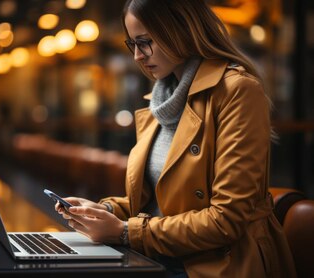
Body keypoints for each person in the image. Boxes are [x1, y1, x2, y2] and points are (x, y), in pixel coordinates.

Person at [55, 0, 297, 277]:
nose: (137, 56)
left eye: (145, 42)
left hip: (218, 264)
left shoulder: (237, 91)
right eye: (132, 44)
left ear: (181, 30)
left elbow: (226, 220)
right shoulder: (161, 100)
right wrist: (104, 210)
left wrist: (123, 232)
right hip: (159, 257)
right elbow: (158, 204)